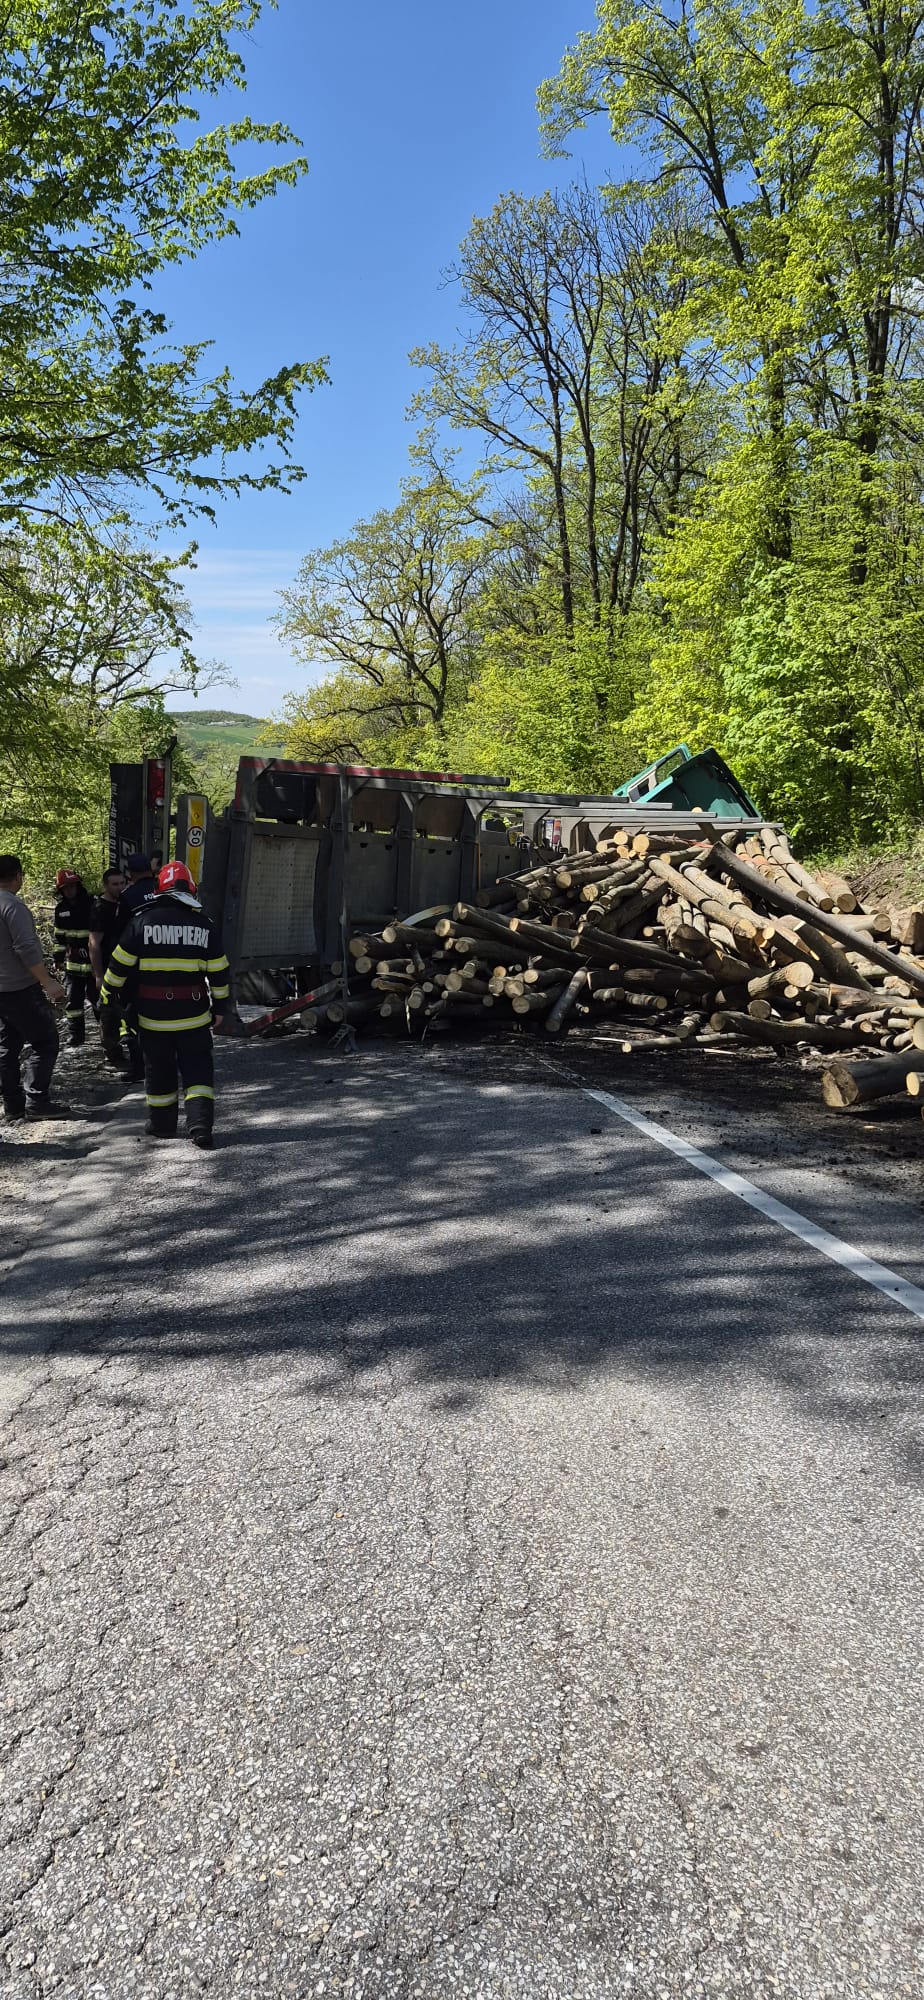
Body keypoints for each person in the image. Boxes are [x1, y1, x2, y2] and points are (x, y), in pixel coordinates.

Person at [101, 860, 230, 1149]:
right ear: (190, 889)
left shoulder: (140, 922)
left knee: (159, 1070)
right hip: (194, 1016)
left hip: (153, 1017)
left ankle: (162, 1126)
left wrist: (107, 997)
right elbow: (220, 973)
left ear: (160, 889)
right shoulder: (204, 926)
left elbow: (118, 968)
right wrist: (220, 1009)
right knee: (197, 1070)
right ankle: (200, 1127)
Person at [0, 854, 69, 1122]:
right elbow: (25, 949)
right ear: (18, 876)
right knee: (45, 1041)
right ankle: (37, 1101)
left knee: (8, 1046)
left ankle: (14, 1105)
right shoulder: (13, 906)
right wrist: (48, 982)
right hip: (20, 988)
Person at [52, 869, 96, 1047]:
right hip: (73, 965)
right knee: (73, 1003)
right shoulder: (61, 909)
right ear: (60, 890)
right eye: (65, 888)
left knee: (98, 1000)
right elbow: (59, 937)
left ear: (78, 885)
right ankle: (75, 1036)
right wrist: (58, 958)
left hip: (94, 962)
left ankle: (106, 1035)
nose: (69, 890)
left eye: (72, 886)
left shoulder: (92, 903)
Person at [89, 868, 128, 1068]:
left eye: (122, 883)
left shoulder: (125, 903)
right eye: (115, 884)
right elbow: (94, 943)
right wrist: (98, 975)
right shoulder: (99, 908)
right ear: (106, 885)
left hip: (127, 968)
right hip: (108, 969)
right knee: (109, 1014)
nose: (120, 887)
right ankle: (112, 1057)